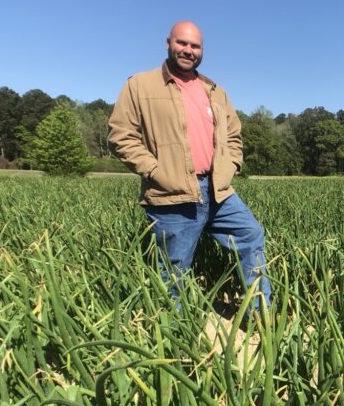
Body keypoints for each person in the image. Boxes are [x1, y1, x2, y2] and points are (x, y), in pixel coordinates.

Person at [108, 20, 271, 308]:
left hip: (218, 190)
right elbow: (121, 136)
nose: (188, 50)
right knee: (174, 268)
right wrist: (157, 172)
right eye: (182, 43)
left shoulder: (215, 91)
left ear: (202, 50)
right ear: (168, 43)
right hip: (172, 192)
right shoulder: (140, 85)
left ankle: (262, 314)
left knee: (250, 234)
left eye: (195, 45)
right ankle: (177, 335)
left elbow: (234, 135)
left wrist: (231, 165)